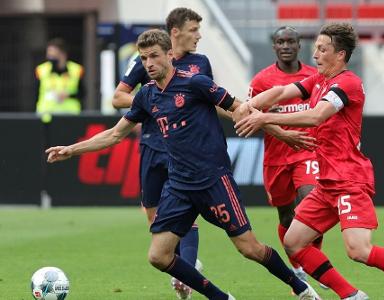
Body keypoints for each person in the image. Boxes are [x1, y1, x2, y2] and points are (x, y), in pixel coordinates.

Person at [46, 28, 321, 300]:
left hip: (214, 180)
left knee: (250, 249)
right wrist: (72, 149)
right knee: (158, 256)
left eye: (154, 56)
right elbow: (115, 134)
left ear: (169, 54)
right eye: (143, 59)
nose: (149, 64)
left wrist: (278, 130)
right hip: (179, 185)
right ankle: (220, 297)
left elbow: (239, 107)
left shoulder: (196, 83)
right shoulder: (146, 96)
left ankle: (300, 288)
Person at [233, 22, 384, 300]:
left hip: (349, 180)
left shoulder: (348, 83)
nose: (315, 55)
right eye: (316, 49)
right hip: (326, 183)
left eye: (323, 49)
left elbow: (316, 116)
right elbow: (280, 92)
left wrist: (265, 117)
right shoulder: (319, 80)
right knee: (294, 242)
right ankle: (350, 295)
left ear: (340, 55)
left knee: (358, 251)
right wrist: (249, 105)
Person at [112, 8, 213, 298]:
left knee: (186, 212)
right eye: (194, 29)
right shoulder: (146, 59)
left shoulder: (200, 63)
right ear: (176, 32)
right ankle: (183, 265)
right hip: (151, 146)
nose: (198, 35)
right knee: (155, 220)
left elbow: (206, 100)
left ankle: (188, 274)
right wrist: (153, 102)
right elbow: (117, 96)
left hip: (182, 150)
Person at [249, 26, 324, 283]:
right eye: (280, 42)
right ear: (274, 46)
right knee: (286, 216)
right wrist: (281, 132)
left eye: (290, 41)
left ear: (299, 44)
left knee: (311, 202)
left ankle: (316, 264)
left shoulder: (315, 76)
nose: (286, 46)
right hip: (277, 156)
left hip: (307, 152)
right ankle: (299, 266)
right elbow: (250, 114)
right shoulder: (261, 81)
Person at [35, 38, 84, 123]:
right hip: (46, 117)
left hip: (70, 115)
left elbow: (82, 92)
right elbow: (35, 93)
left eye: (53, 55)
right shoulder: (41, 70)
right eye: (49, 55)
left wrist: (68, 95)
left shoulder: (76, 70)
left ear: (63, 55)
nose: (50, 58)